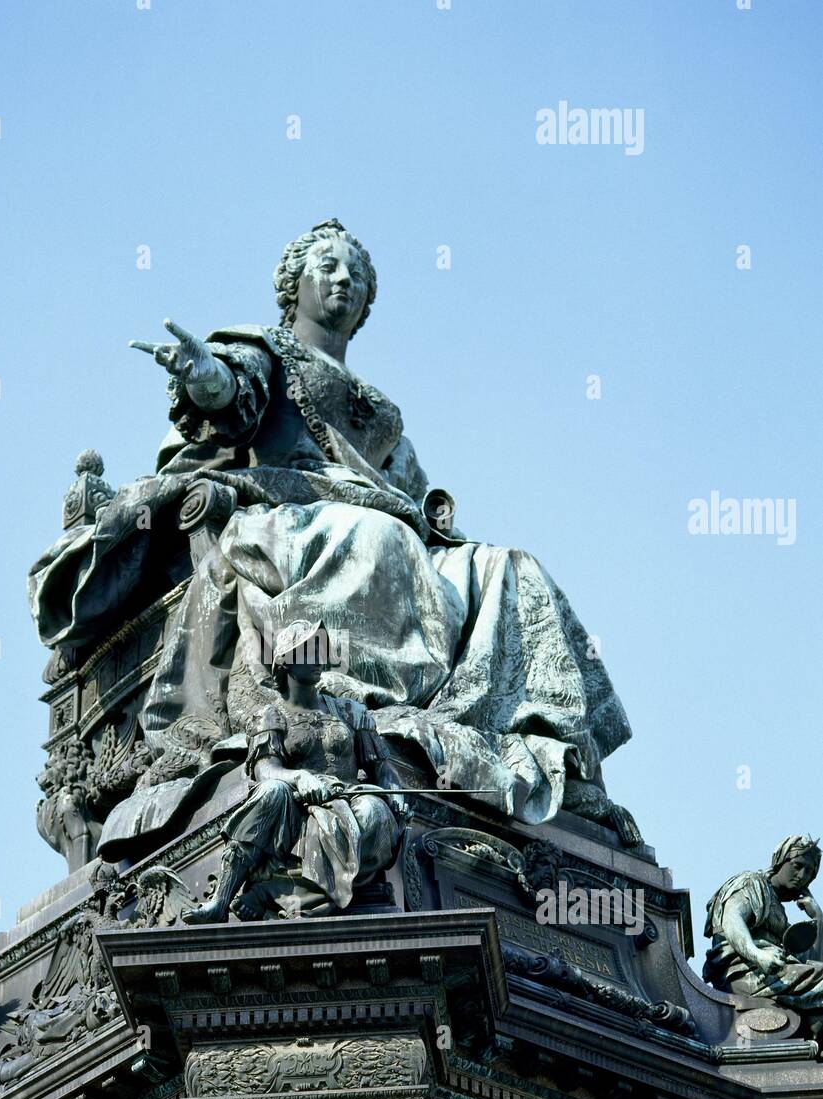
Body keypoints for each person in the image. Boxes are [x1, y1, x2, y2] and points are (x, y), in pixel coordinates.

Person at [33, 219, 638, 842]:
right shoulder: (267, 353)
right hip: (284, 508)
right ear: (293, 285)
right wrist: (202, 373)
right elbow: (229, 394)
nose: (344, 279)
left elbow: (408, 494)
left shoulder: (379, 408)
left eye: (358, 274)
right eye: (328, 266)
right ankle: (352, 703)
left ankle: (556, 754)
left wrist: (439, 527)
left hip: (383, 521)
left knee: (511, 567)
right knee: (381, 539)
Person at [184, 621, 404, 922]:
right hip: (297, 802)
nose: (320, 660)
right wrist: (299, 776)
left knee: (375, 812)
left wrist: (395, 792)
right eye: (308, 652)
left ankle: (275, 891)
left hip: (350, 795)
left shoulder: (353, 712)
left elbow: (382, 768)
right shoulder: (271, 716)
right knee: (271, 791)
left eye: (321, 651)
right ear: (286, 662)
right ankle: (221, 900)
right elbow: (265, 770)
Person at [703, 835, 823, 1036]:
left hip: (771, 973)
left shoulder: (780, 915)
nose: (802, 875)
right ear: (780, 861)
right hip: (743, 972)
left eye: (809, 872)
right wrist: (758, 954)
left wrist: (818, 919)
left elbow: (811, 961)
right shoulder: (752, 883)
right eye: (797, 865)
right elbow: (732, 918)